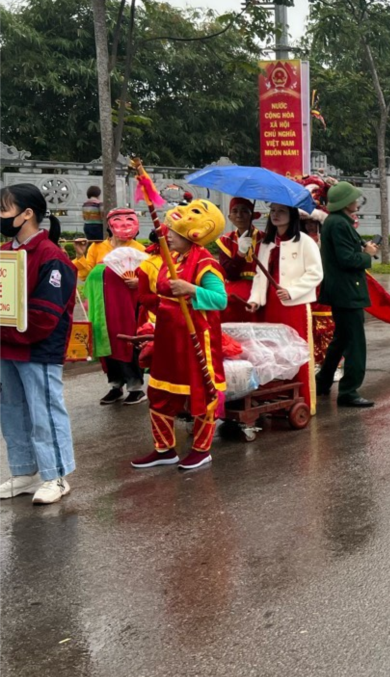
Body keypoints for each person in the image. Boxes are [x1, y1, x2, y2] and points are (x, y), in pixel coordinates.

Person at [130, 199, 228, 472]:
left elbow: (220, 300)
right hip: (168, 337)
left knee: (201, 393)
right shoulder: (171, 259)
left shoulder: (206, 263)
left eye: (173, 232)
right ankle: (164, 449)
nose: (167, 235)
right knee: (160, 391)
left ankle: (201, 449)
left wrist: (190, 289)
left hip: (196, 337)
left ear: (191, 234)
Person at [0, 184, 77, 504]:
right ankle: (24, 471)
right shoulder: (6, 252)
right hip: (7, 347)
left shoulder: (52, 257)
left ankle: (56, 475)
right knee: (12, 410)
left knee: (45, 411)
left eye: (4, 210)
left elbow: (45, 317)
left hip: (38, 349)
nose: (1, 216)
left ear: (26, 213)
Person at [247, 204, 324, 414]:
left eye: (281, 211)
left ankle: (303, 402)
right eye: (272, 211)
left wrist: (292, 291)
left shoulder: (306, 242)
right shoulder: (266, 244)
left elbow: (316, 274)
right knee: (271, 352)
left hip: (294, 306)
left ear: (291, 215)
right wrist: (255, 299)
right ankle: (272, 399)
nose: (275, 215)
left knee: (297, 352)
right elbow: (260, 275)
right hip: (269, 305)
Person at [72, 208, 148, 405]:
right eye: (117, 220)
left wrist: (139, 283)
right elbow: (85, 275)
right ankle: (115, 385)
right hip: (100, 305)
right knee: (105, 341)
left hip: (127, 306)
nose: (123, 224)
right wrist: (80, 255)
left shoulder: (140, 249)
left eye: (128, 220)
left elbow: (152, 275)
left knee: (127, 341)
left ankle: (135, 387)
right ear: (109, 225)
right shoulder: (97, 248)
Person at [316, 182, 379, 408]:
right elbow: (347, 259)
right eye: (354, 198)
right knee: (355, 343)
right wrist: (367, 255)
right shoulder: (339, 224)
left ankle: (322, 382)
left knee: (341, 339)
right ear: (345, 202)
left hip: (342, 290)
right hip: (346, 291)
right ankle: (349, 391)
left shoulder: (338, 222)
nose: (357, 201)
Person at [216, 197, 263, 324]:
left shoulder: (264, 238)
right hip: (234, 292)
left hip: (259, 289)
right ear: (229, 216)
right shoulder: (225, 240)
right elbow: (229, 274)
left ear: (251, 215)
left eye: (244, 211)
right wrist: (240, 253)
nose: (239, 215)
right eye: (235, 211)